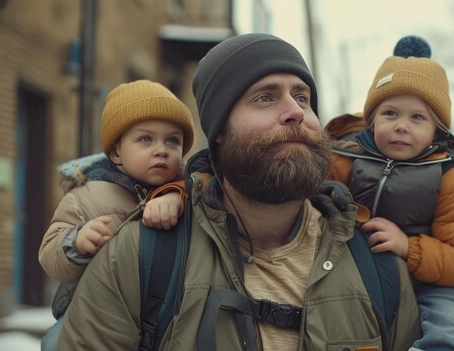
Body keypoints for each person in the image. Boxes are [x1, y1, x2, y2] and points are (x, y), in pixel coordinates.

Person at [57, 32, 422, 351]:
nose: (295, 111)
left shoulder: (377, 263)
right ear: (218, 131)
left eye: (303, 97)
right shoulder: (141, 256)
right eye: (265, 97)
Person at [326, 36, 454, 351]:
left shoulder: (452, 176)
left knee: (452, 326)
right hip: (355, 269)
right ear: (371, 121)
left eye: (417, 117)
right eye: (390, 114)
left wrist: (407, 247)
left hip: (432, 282)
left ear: (437, 130)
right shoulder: (341, 159)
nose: (402, 126)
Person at [38, 79, 194, 350]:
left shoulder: (188, 190)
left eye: (173, 140)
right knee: (55, 342)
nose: (161, 149)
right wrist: (77, 241)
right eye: (145, 139)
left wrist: (174, 197)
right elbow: (50, 255)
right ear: (117, 153)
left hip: (163, 313)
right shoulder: (89, 194)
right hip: (95, 313)